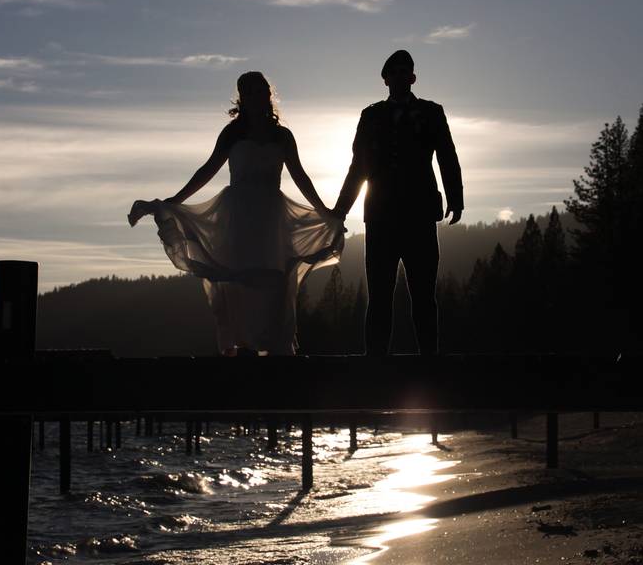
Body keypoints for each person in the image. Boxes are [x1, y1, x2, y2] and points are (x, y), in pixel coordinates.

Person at [128, 72, 344, 356]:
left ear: (268, 94)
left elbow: (301, 176)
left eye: (263, 91)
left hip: (271, 218)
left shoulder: (282, 135)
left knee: (275, 284)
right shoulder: (232, 133)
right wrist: (173, 202)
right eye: (252, 92)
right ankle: (242, 350)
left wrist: (324, 212)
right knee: (238, 282)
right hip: (238, 217)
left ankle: (275, 350)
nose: (259, 97)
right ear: (243, 98)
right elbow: (207, 170)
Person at [333, 50, 463, 356]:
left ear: (413, 77)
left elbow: (447, 156)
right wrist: (341, 210)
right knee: (379, 296)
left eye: (407, 71)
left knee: (424, 294)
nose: (402, 76)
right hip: (380, 217)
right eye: (396, 72)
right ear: (386, 79)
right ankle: (375, 364)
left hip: (420, 216)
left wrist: (456, 198)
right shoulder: (371, 115)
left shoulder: (432, 112)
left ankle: (430, 361)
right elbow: (358, 167)